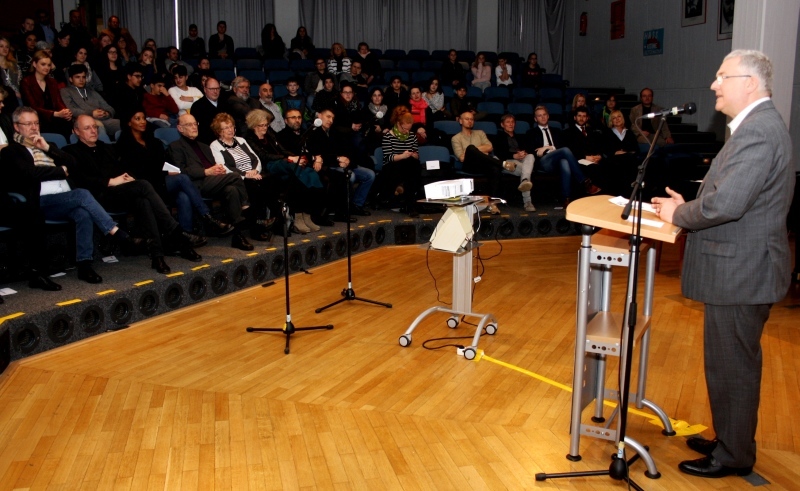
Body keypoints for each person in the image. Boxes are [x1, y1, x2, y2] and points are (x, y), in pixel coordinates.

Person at [651, 50, 793, 480]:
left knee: (733, 365)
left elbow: (729, 204)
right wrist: (690, 205)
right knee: (728, 362)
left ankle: (734, 456)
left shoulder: (759, 132)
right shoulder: (755, 127)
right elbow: (732, 196)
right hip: (741, 267)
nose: (714, 84)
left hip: (743, 271)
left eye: (721, 76)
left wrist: (680, 215)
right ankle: (730, 438)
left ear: (749, 82)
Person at [3, 106, 144, 283]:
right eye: (28, 124)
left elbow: (74, 164)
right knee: (82, 195)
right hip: (39, 202)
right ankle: (117, 233)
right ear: (16, 127)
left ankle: (84, 266)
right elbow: (29, 173)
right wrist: (59, 171)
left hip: (63, 200)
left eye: (36, 123)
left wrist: (47, 147)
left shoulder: (49, 146)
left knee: (82, 213)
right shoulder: (12, 151)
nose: (34, 127)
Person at [64, 114, 201, 273]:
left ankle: (157, 257)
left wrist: (127, 178)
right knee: (143, 185)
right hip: (96, 198)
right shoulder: (70, 152)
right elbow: (79, 181)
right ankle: (176, 232)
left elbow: (121, 169)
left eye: (94, 127)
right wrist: (110, 181)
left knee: (144, 201)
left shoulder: (107, 148)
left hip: (119, 193)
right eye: (87, 128)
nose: (93, 131)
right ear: (76, 131)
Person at [168, 114, 249, 248]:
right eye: (189, 125)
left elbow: (213, 166)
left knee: (232, 190)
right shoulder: (175, 146)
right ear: (180, 128)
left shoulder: (204, 146)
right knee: (235, 176)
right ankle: (246, 206)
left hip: (212, 182)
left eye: (195, 124)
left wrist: (219, 169)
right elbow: (180, 171)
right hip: (195, 185)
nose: (194, 127)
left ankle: (237, 235)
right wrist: (206, 172)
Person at [244, 109, 326, 232]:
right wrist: (290, 158)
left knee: (301, 170)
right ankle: (313, 186)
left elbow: (282, 149)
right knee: (293, 166)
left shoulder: (269, 134)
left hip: (283, 163)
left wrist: (295, 157)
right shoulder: (249, 138)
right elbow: (263, 156)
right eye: (262, 125)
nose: (265, 127)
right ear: (254, 125)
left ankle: (305, 215)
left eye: (266, 124)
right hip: (268, 165)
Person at [209, 112, 279, 240]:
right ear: (219, 131)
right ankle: (257, 228)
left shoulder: (241, 140)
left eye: (231, 126)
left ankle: (276, 221)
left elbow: (255, 158)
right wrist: (245, 174)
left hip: (253, 174)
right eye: (225, 128)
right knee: (254, 187)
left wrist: (255, 171)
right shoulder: (215, 145)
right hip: (238, 178)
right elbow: (223, 166)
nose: (230, 130)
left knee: (272, 180)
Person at [306, 108, 375, 220]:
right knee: (350, 176)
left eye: (332, 118)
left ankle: (356, 205)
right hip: (330, 165)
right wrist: (338, 159)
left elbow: (346, 148)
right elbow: (320, 155)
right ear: (319, 116)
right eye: (328, 117)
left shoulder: (334, 132)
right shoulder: (313, 133)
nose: (331, 120)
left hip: (343, 163)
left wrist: (347, 160)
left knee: (369, 174)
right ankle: (342, 210)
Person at [525, 105, 600, 207]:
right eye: (539, 116)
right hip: (543, 162)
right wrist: (546, 150)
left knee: (564, 162)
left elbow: (563, 146)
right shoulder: (531, 133)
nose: (542, 117)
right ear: (535, 119)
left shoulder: (557, 131)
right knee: (565, 151)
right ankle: (584, 181)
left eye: (544, 115)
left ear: (548, 116)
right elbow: (532, 151)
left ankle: (566, 198)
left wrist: (548, 148)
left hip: (557, 159)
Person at [450, 110, 502, 213]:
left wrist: (471, 151)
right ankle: (502, 163)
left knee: (495, 169)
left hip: (483, 164)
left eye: (472, 119)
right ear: (460, 121)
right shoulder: (456, 138)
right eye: (467, 119)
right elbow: (462, 158)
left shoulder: (480, 133)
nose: (470, 121)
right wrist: (476, 151)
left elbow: (490, 147)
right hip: (468, 165)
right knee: (471, 148)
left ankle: (492, 204)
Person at [20, 51, 73, 137]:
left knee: (67, 122)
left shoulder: (52, 82)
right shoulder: (26, 82)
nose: (47, 67)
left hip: (55, 116)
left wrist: (65, 112)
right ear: (34, 64)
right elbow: (32, 106)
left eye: (49, 65)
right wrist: (55, 114)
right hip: (38, 118)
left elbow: (58, 101)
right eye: (43, 64)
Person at [379, 111, 422, 216]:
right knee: (410, 166)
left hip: (408, 166)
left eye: (409, 129)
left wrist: (413, 155)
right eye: (404, 128)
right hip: (392, 167)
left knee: (413, 163)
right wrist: (402, 156)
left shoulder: (412, 136)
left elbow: (416, 153)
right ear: (398, 124)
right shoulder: (388, 136)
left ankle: (409, 203)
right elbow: (388, 157)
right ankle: (410, 205)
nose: (406, 131)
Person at [60, 64, 120, 138]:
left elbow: (109, 108)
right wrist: (91, 113)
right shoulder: (65, 91)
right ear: (70, 79)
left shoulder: (92, 91)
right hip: (83, 122)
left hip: (104, 119)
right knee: (97, 127)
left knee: (126, 125)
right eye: (77, 77)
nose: (81, 80)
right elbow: (71, 110)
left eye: (83, 77)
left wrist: (106, 113)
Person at [492, 114, 535, 212]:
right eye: (508, 122)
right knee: (525, 169)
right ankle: (528, 202)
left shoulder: (519, 137)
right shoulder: (498, 137)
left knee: (531, 156)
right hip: (508, 162)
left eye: (512, 122)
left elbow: (527, 148)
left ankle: (524, 180)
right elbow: (499, 154)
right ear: (502, 125)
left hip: (522, 160)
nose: (511, 124)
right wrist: (514, 156)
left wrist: (523, 153)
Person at [600, 109, 639, 196]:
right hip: (614, 161)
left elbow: (635, 149)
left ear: (623, 118)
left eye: (619, 116)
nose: (617, 119)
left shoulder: (629, 133)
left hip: (629, 160)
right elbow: (605, 149)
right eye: (614, 118)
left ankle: (630, 193)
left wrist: (625, 153)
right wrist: (614, 152)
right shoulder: (607, 133)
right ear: (611, 121)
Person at [190, 77, 223, 144]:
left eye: (217, 88)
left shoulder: (225, 104)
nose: (215, 91)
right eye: (212, 89)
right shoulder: (197, 106)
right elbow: (197, 130)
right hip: (207, 143)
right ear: (205, 89)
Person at [0, 38, 23, 103]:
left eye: (7, 47)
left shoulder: (14, 65)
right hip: (3, 97)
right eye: (1, 46)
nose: (5, 49)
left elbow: (20, 82)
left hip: (17, 98)